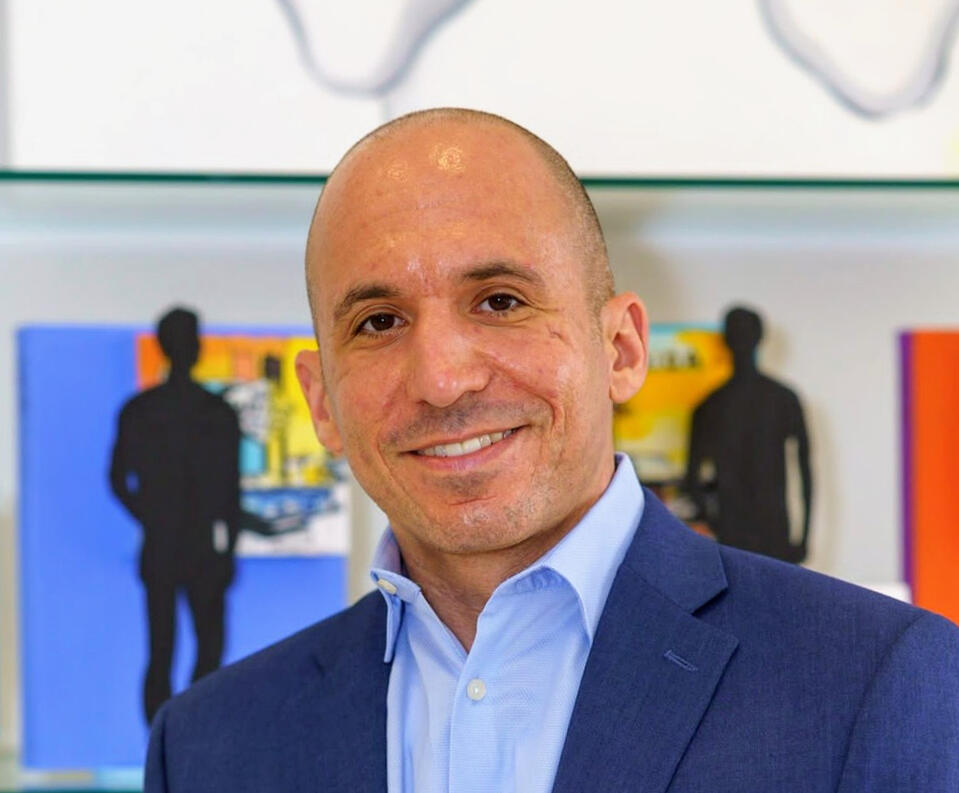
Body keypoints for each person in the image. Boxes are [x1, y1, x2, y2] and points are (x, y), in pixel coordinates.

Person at [145, 110, 959, 792]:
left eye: (500, 301)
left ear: (621, 349)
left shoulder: (878, 683)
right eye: (379, 322)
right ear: (321, 400)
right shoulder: (209, 749)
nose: (442, 380)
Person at [110, 307, 241, 724]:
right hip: (196, 547)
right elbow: (230, 493)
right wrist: (227, 549)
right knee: (194, 647)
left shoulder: (142, 410)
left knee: (168, 648)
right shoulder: (215, 411)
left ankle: (171, 736)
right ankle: (181, 735)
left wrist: (150, 516)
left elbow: (118, 480)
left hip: (169, 545)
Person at [685, 305, 812, 563]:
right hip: (755, 530)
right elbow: (805, 472)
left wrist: (714, 521)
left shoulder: (711, 405)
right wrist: (803, 537)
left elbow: (805, 470)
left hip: (747, 530)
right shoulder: (781, 399)